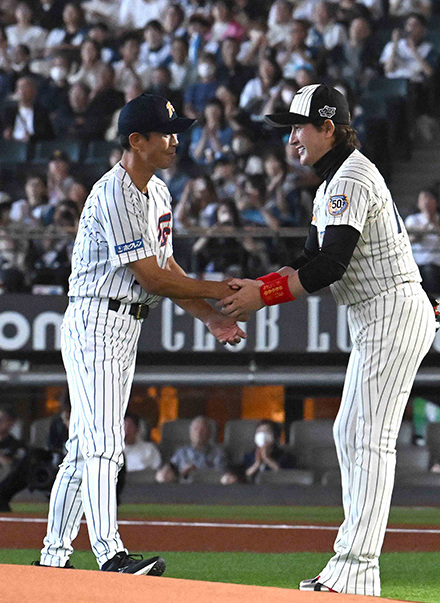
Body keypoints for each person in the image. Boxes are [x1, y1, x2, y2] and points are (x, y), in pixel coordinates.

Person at [219, 84, 437, 596]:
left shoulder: (350, 176)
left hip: (389, 309)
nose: (291, 138)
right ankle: (356, 566)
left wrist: (263, 298)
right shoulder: (334, 180)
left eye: (298, 127)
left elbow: (330, 265)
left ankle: (358, 566)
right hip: (378, 312)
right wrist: (258, 286)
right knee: (350, 433)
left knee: (368, 438)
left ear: (328, 128)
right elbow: (306, 259)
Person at [37, 93, 246, 577]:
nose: (176, 140)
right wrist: (219, 289)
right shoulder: (113, 192)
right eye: (166, 132)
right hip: (97, 319)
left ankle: (52, 558)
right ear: (136, 140)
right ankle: (109, 553)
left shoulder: (157, 191)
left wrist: (210, 316)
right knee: (106, 441)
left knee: (83, 447)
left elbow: (166, 266)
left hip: (124, 324)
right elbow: (152, 278)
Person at [404, 189, 440, 292]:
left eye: (429, 198)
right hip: (420, 262)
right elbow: (413, 239)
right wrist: (427, 222)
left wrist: (435, 223)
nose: (426, 202)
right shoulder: (412, 219)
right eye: (423, 199)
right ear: (418, 203)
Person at [155, 416, 228, 483]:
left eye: (202, 430)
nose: (198, 433)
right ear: (190, 433)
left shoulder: (218, 453)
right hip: (181, 491)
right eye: (195, 428)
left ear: (209, 434)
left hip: (208, 491)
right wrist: (178, 473)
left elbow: (220, 477)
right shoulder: (181, 452)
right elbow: (171, 471)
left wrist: (198, 472)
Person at [228, 420, 295, 484]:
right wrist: (257, 464)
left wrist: (267, 459)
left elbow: (286, 476)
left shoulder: (284, 456)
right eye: (259, 431)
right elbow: (241, 477)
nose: (262, 434)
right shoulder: (249, 456)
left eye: (266, 431)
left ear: (274, 436)